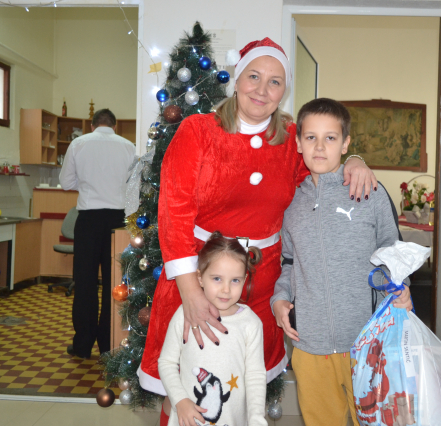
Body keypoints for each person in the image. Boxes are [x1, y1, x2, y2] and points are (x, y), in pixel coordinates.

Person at [139, 37, 378, 425]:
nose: (262, 90)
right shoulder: (198, 131)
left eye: (275, 82)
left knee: (242, 386)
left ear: (284, 91)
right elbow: (173, 211)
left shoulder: (291, 140)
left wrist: (354, 160)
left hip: (261, 286)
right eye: (253, 76)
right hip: (198, 277)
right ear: (236, 79)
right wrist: (190, 291)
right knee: (185, 385)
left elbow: (323, 162)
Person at [270, 98, 412, 426]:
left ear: (345, 144)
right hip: (310, 347)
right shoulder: (291, 204)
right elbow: (288, 262)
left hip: (368, 343)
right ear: (298, 143)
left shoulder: (370, 192)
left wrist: (400, 288)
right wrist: (280, 298)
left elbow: (393, 252)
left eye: (330, 138)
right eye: (311, 137)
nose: (320, 147)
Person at [158, 232, 267, 426]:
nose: (226, 289)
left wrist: (257, 419)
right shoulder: (184, 314)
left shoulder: (250, 323)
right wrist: (180, 401)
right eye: (217, 278)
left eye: (235, 280)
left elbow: (255, 376)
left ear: (244, 279)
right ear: (200, 278)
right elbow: (166, 362)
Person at [59, 108, 135, 358]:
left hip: (89, 220)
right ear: (114, 126)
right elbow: (134, 186)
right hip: (118, 221)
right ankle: (109, 344)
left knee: (85, 283)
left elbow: (66, 183)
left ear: (92, 126)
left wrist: (87, 183)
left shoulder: (79, 144)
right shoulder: (128, 146)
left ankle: (83, 345)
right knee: (115, 283)